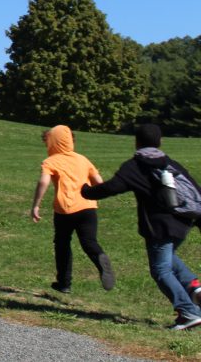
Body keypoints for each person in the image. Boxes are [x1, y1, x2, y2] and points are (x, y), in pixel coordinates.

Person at [81, 124, 201, 330]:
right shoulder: (171, 164)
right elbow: (195, 192)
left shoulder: (135, 166)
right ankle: (194, 287)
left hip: (159, 226)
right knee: (168, 258)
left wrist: (86, 192)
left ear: (136, 142)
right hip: (183, 223)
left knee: (160, 269)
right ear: (160, 141)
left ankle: (188, 312)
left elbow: (112, 187)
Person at [29, 125, 115, 294]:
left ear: (52, 142)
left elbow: (44, 182)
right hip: (88, 207)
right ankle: (100, 259)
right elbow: (99, 181)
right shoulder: (83, 159)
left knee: (62, 244)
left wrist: (36, 205)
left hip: (64, 210)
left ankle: (64, 283)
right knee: (89, 242)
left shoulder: (50, 162)